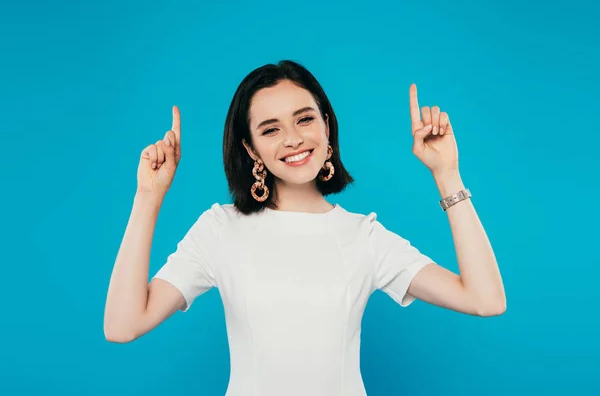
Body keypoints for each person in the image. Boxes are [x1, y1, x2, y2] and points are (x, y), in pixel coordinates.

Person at [104, 60, 506, 395]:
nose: (293, 139)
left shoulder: (363, 237)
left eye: (304, 119)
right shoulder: (220, 229)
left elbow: (485, 300)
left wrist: (448, 174)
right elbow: (123, 326)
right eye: (271, 129)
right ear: (250, 148)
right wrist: (148, 197)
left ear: (326, 126)